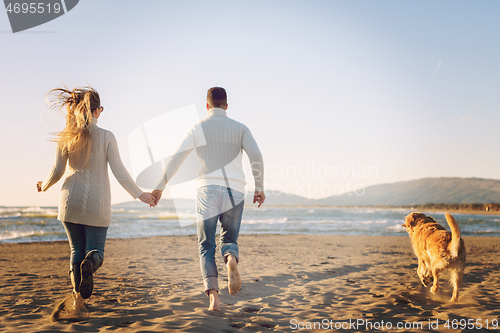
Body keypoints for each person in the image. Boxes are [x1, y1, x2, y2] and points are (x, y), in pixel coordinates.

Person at [37, 87, 156, 304]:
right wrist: (140, 194)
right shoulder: (107, 137)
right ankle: (91, 263)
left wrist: (44, 186)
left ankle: (77, 301)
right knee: (94, 250)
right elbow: (119, 171)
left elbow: (57, 171)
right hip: (97, 205)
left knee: (75, 250)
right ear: (98, 110)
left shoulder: (67, 137)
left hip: (68, 202)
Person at [151, 87, 265, 311]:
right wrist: (259, 187)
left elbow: (176, 158)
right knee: (229, 239)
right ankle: (231, 257)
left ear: (206, 106)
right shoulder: (241, 128)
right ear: (226, 105)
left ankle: (214, 298)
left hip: (207, 190)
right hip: (236, 190)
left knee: (206, 245)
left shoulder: (197, 127)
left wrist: (160, 186)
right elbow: (256, 155)